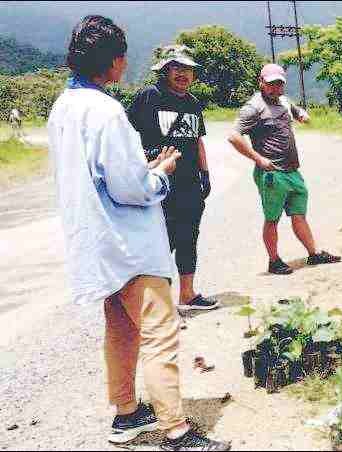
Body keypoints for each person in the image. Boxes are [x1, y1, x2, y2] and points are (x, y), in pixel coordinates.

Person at [47, 15, 230, 451]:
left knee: (121, 329)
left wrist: (139, 172)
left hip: (95, 240)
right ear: (113, 61)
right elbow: (132, 188)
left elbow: (99, 175)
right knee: (160, 333)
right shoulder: (107, 111)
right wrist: (160, 173)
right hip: (128, 243)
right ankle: (177, 431)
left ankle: (126, 414)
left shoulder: (63, 107)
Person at [127, 45, 219, 311]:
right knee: (160, 241)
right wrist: (148, 159)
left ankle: (187, 294)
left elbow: (198, 140)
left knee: (189, 237)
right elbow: (127, 137)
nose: (183, 74)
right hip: (159, 183)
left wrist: (205, 173)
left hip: (190, 183)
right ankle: (155, 304)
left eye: (188, 70)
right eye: (177, 68)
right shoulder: (148, 97)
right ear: (165, 70)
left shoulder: (192, 102)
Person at [228, 63, 341, 275]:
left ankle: (314, 254)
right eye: (271, 83)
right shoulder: (253, 107)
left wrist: (303, 116)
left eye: (279, 83)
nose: (275, 87)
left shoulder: (284, 101)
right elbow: (234, 136)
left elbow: (297, 112)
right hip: (272, 173)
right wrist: (258, 158)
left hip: (292, 170)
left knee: (299, 214)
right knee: (272, 218)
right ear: (261, 82)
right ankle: (274, 261)